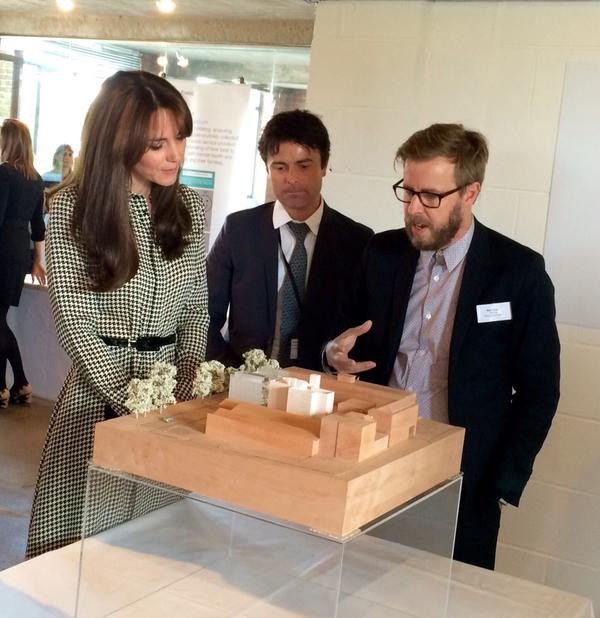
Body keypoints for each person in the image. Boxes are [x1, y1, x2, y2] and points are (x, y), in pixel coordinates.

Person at [325, 123, 560, 570]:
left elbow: (540, 391)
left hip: (463, 477)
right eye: (408, 191)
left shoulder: (518, 273)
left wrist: (502, 483)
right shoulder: (381, 253)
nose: (414, 209)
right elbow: (339, 335)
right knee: (358, 585)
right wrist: (332, 353)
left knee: (448, 594)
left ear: (470, 193)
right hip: (373, 463)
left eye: (431, 196)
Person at [26, 70, 210, 558]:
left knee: (150, 547)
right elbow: (74, 321)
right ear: (118, 140)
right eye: (157, 144)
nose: (174, 155)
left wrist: (181, 390)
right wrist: (131, 399)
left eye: (180, 138)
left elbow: (196, 309)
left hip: (169, 403)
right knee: (77, 548)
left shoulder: (189, 207)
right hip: (94, 396)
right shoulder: (74, 208)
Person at [207, 109, 373, 370]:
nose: (292, 179)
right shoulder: (239, 230)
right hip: (243, 379)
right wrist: (228, 371)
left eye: (303, 166)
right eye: (280, 167)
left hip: (318, 383)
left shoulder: (357, 241)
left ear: (324, 165)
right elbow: (202, 314)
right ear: (267, 168)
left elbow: (361, 325)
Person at [0, 118, 46, 409]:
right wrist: (37, 260)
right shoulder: (35, 179)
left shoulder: (4, 173)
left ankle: (15, 383)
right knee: (0, 319)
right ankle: (13, 385)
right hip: (19, 252)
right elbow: (38, 226)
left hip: (3, 248)